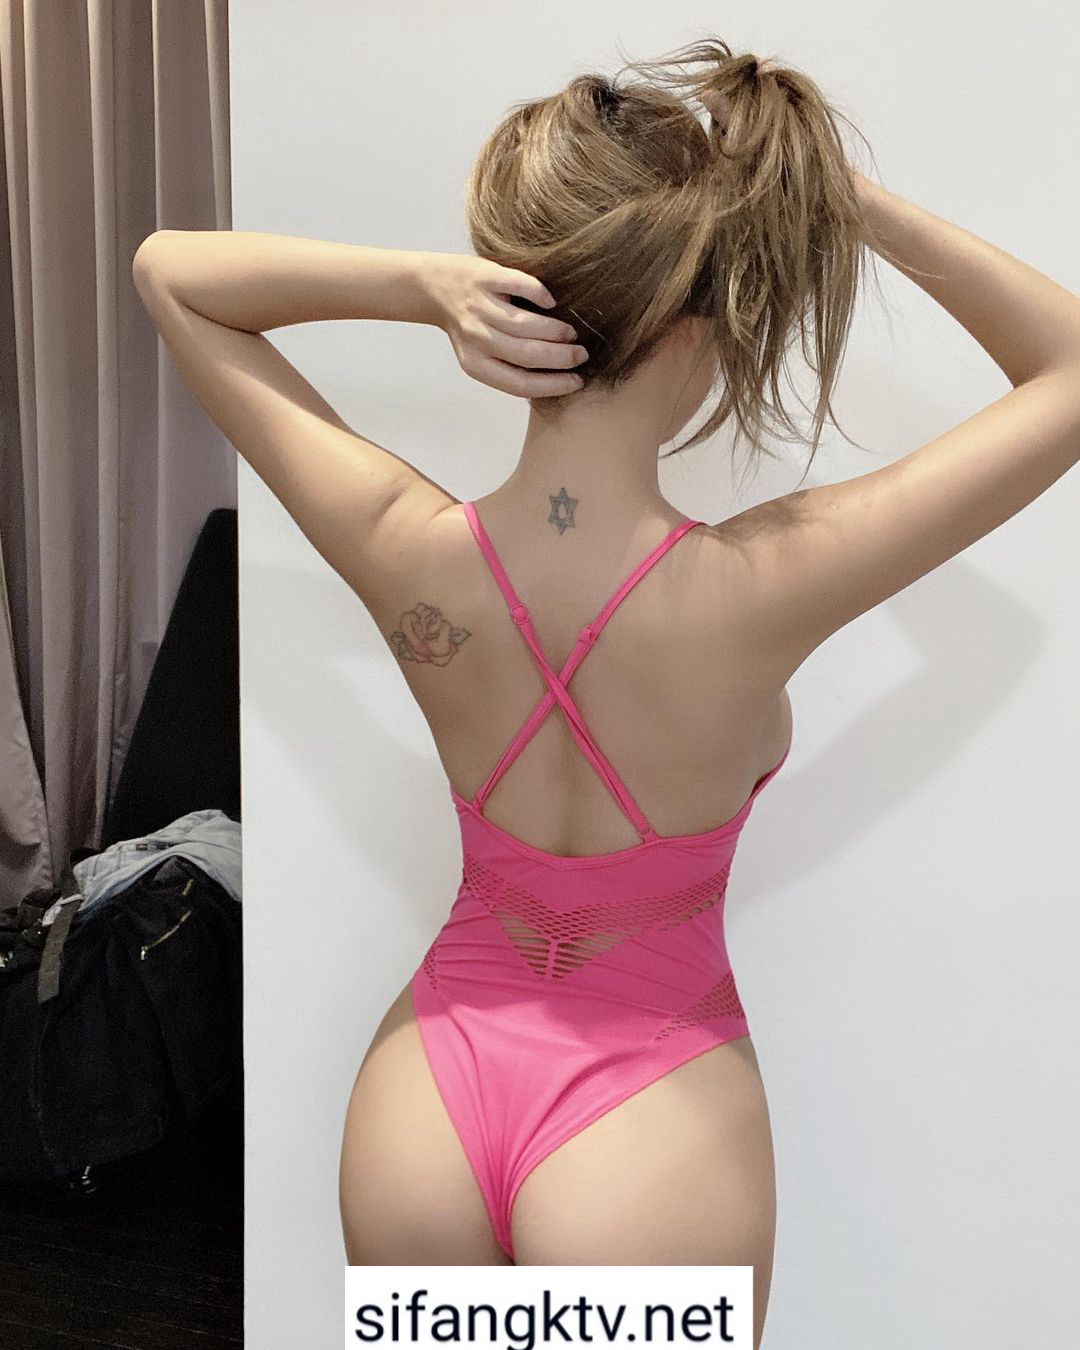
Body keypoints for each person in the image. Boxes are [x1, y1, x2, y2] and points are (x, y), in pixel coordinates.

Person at [131, 34, 1080, 1347]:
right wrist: (838, 199)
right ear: (705, 317)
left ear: (520, 297)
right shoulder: (762, 585)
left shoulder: (405, 543)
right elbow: (1070, 369)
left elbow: (170, 274)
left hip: (422, 1105)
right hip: (647, 1122)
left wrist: (425, 290)